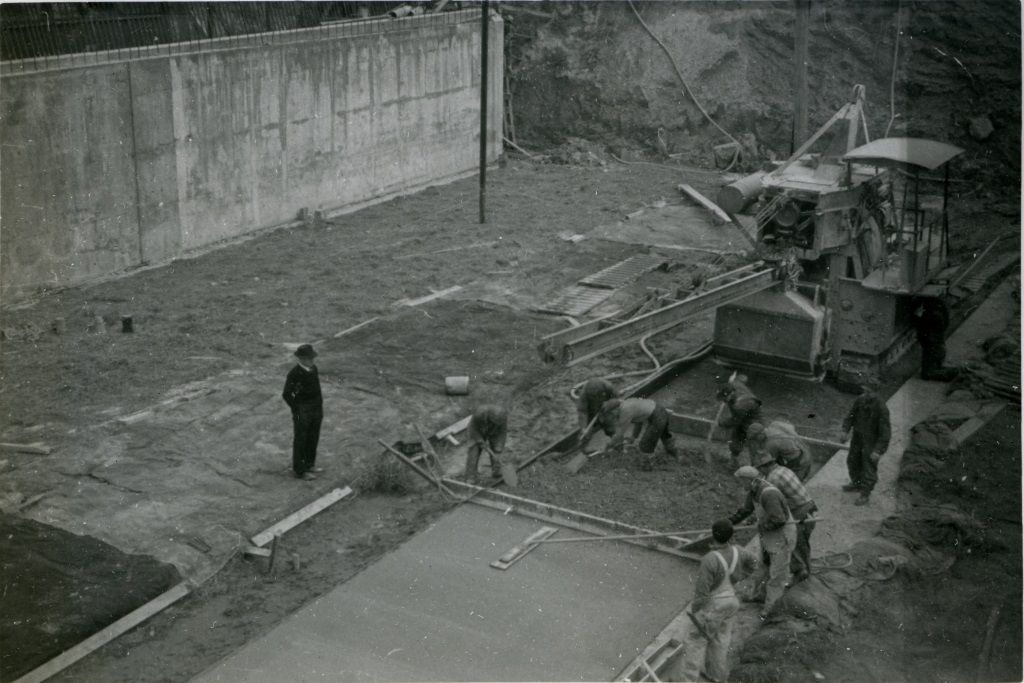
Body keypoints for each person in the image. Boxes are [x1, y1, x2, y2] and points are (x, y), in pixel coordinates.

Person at [664, 519, 757, 683]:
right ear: (731, 535)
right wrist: (738, 577)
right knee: (720, 641)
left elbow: (702, 591)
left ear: (713, 535)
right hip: (731, 602)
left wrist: (695, 610)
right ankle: (716, 676)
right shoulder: (739, 551)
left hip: (714, 605)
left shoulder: (710, 559)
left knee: (695, 641)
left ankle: (687, 680)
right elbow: (753, 563)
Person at [729, 466, 796, 618]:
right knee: (765, 565)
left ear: (749, 480)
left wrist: (761, 525)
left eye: (741, 482)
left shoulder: (769, 494)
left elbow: (779, 519)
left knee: (777, 574)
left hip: (781, 536)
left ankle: (771, 609)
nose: (739, 486)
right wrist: (729, 522)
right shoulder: (754, 491)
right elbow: (745, 510)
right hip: (768, 535)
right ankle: (759, 595)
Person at [752, 451, 817, 583]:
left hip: (800, 513)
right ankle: (805, 575)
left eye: (760, 470)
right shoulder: (783, 469)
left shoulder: (772, 479)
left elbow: (773, 505)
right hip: (809, 509)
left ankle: (801, 577)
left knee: (790, 543)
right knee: (802, 546)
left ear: (764, 467)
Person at [841, 378, 891, 506]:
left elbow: (885, 432)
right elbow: (851, 415)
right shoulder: (860, 400)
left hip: (871, 442)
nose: (866, 394)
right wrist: (845, 430)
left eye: (869, 392)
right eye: (865, 391)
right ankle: (856, 484)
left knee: (868, 468)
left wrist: (878, 450)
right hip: (857, 438)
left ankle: (865, 494)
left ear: (876, 392)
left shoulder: (881, 408)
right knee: (852, 461)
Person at [282, 344, 324, 480]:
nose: (312, 361)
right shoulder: (295, 374)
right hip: (303, 410)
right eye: (308, 358)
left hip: (316, 408)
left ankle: (310, 464)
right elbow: (288, 394)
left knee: (313, 437)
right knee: (301, 439)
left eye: (312, 358)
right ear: (301, 358)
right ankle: (300, 470)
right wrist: (297, 408)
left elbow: (317, 389)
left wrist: (318, 405)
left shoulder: (313, 369)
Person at [599, 397, 679, 465]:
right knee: (665, 436)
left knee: (645, 445)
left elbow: (619, 434)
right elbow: (639, 421)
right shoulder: (627, 403)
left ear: (616, 408)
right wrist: (634, 436)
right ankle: (676, 456)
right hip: (660, 410)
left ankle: (649, 465)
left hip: (657, 416)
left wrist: (607, 446)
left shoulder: (625, 411)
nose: (613, 416)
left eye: (611, 413)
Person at [717, 375, 763, 463]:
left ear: (732, 393)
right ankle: (734, 462)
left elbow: (733, 422)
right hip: (742, 415)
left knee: (755, 445)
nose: (723, 401)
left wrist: (720, 423)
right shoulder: (734, 384)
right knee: (735, 442)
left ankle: (757, 468)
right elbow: (743, 378)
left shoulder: (739, 406)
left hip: (754, 420)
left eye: (725, 398)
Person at [746, 420, 813, 481]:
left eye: (755, 438)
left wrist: (754, 469)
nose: (756, 440)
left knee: (789, 482)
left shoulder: (771, 443)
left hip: (800, 460)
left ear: (761, 434)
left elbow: (768, 463)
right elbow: (791, 427)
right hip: (802, 448)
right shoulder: (775, 425)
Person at [912, 296, 958, 381]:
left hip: (933, 349)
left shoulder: (931, 316)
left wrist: (914, 313)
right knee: (932, 369)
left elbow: (918, 323)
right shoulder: (941, 314)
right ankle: (953, 372)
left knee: (927, 374)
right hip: (938, 348)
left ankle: (954, 374)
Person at [464, 404, 508, 483]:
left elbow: (502, 433)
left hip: (493, 431)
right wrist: (481, 442)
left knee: (496, 450)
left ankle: (496, 471)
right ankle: (470, 476)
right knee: (474, 451)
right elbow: (472, 429)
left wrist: (498, 450)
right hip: (477, 431)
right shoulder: (479, 414)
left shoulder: (503, 417)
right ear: (490, 416)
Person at [575, 378, 617, 450]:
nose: (594, 397)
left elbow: (616, 398)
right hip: (591, 411)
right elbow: (582, 411)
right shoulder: (584, 393)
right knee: (586, 433)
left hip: (606, 408)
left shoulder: (609, 387)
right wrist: (583, 427)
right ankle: (583, 448)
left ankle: (615, 442)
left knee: (611, 427)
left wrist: (609, 403)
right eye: (592, 396)